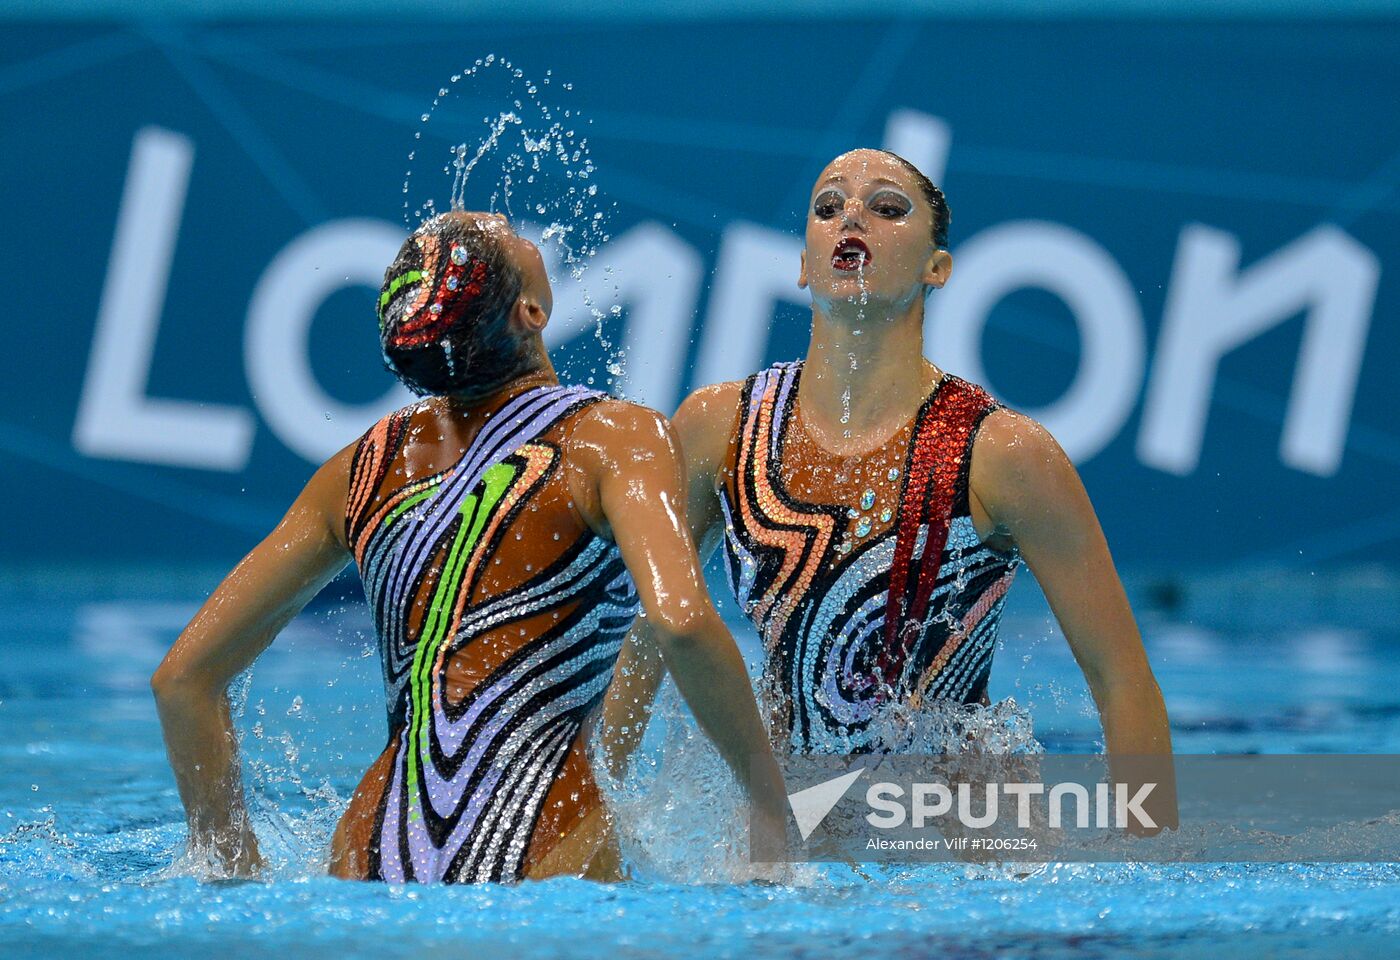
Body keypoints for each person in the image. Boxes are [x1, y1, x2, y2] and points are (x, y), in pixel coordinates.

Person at [151, 211, 789, 883]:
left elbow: (182, 680)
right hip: (544, 831)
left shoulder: (358, 470)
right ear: (533, 310)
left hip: (370, 847)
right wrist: (774, 805)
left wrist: (230, 864)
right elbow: (682, 621)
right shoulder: (614, 439)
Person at [603, 149, 1176, 829]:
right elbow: (646, 639)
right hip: (794, 841)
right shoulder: (717, 428)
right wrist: (590, 811)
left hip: (953, 860)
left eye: (887, 208)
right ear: (804, 263)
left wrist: (1146, 869)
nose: (852, 216)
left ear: (938, 268)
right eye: (828, 206)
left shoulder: (1001, 455)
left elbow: (1122, 683)